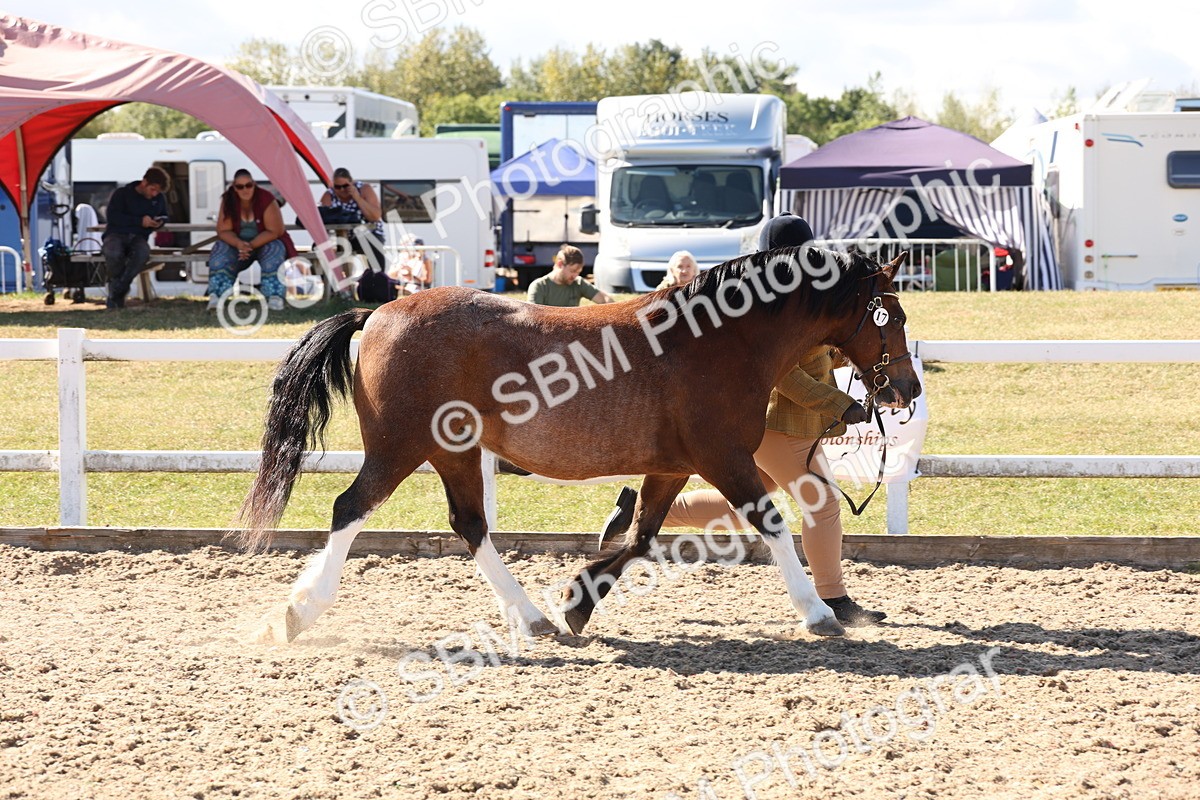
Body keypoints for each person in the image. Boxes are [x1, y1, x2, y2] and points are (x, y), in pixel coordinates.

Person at [598, 213, 886, 627]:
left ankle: (637, 511)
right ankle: (833, 598)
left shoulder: (799, 299)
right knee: (821, 507)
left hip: (793, 423)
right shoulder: (772, 307)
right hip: (779, 423)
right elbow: (785, 375)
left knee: (739, 510)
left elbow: (819, 352)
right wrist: (837, 404)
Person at [205, 169, 294, 312]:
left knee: (275, 249)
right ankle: (216, 296)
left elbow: (275, 231)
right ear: (234, 187)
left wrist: (249, 246)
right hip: (237, 245)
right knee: (220, 250)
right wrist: (239, 244)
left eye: (248, 185)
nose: (245, 189)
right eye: (240, 187)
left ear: (254, 184)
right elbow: (223, 230)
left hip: (264, 242)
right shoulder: (228, 200)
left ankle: (275, 297)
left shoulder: (266, 198)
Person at [101, 166, 170, 310]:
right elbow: (113, 217)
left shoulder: (159, 198)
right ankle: (118, 292)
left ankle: (118, 288)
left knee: (142, 253)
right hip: (116, 234)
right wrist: (139, 221)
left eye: (157, 191)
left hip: (139, 237)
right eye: (153, 189)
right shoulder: (122, 194)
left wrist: (159, 222)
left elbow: (164, 215)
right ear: (144, 182)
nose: (154, 194)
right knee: (113, 252)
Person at [320, 167, 386, 272]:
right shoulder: (329, 195)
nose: (342, 190)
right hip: (340, 237)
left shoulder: (364, 189)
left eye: (345, 186)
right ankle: (331, 283)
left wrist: (357, 198)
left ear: (352, 183)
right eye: (338, 187)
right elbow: (323, 218)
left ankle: (377, 279)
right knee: (320, 248)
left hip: (367, 233)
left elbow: (375, 216)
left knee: (373, 244)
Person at [527, 244, 616, 307]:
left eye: (578, 272)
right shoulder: (539, 286)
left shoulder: (578, 283)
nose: (575, 275)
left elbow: (604, 299)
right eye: (572, 271)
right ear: (560, 264)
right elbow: (533, 319)